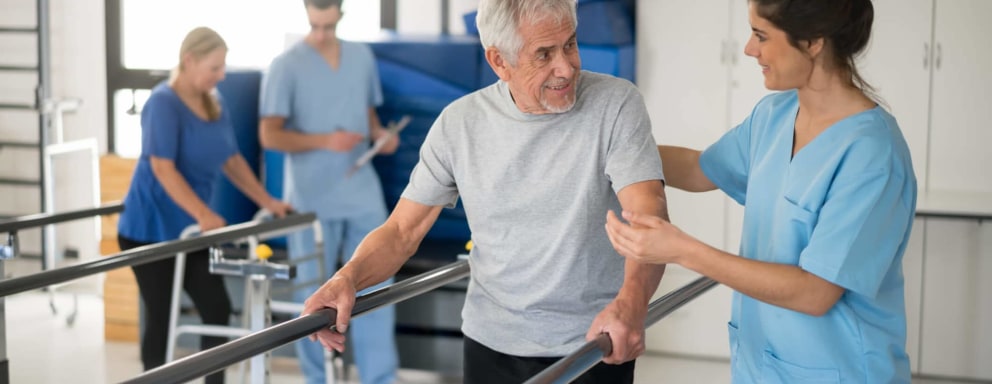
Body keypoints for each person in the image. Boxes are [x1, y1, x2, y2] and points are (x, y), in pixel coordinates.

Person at [301, 0, 670, 383]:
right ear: (498, 61)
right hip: (491, 344)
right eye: (544, 54)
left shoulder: (616, 104)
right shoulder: (459, 125)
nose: (566, 66)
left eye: (570, 45)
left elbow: (649, 215)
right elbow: (401, 232)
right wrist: (346, 279)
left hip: (593, 343)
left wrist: (631, 305)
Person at [604, 1, 916, 382]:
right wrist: (610, 150)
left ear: (813, 41)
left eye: (761, 35)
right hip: (762, 367)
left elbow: (815, 293)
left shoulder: (872, 154)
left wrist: (682, 250)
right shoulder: (774, 115)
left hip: (839, 371)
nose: (749, 50)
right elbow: (698, 168)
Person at [117, 27, 291, 384]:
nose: (222, 75)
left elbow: (232, 161)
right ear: (189, 60)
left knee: (217, 307)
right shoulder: (162, 103)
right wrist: (203, 212)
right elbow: (162, 169)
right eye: (215, 67)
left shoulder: (215, 102)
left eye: (223, 67)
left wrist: (268, 201)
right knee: (162, 316)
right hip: (149, 230)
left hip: (191, 233)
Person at [257, 1, 400, 383]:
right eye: (313, 25)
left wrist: (382, 138)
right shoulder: (285, 66)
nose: (320, 34)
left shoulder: (360, 57)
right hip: (311, 196)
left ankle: (379, 378)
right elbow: (269, 134)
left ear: (340, 14)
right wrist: (326, 141)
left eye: (327, 26)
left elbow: (369, 122)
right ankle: (317, 379)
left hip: (361, 191)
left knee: (377, 288)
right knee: (313, 298)